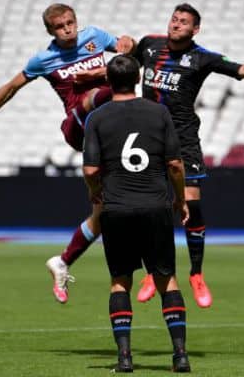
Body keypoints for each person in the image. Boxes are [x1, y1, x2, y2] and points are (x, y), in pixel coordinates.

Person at [0, 3, 135, 304]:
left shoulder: (95, 37)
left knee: (105, 211)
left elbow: (127, 54)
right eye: (61, 26)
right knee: (99, 94)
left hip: (106, 134)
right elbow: (10, 88)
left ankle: (62, 261)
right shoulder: (44, 59)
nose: (68, 29)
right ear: (50, 31)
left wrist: (126, 46)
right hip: (77, 124)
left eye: (70, 22)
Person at [131, 3, 244, 308]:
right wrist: (121, 47)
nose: (176, 24)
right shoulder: (149, 45)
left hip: (183, 140)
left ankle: (197, 274)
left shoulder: (201, 58)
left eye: (183, 22)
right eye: (174, 19)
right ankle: (152, 272)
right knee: (152, 209)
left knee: (192, 205)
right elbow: (124, 62)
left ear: (195, 29)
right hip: (149, 138)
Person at [83, 54, 191, 373]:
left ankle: (125, 358)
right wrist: (181, 199)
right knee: (167, 280)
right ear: (139, 78)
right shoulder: (159, 112)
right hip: (155, 206)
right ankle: (180, 355)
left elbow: (90, 168)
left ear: (108, 81)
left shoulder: (97, 118)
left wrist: (94, 191)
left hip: (116, 208)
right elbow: (174, 164)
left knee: (120, 282)